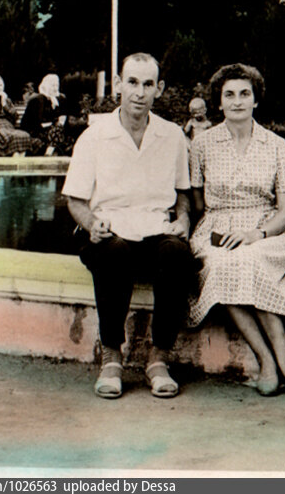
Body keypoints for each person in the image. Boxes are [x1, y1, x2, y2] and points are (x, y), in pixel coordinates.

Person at [62, 53, 196, 400]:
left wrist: (183, 219)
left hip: (153, 229)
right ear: (119, 84)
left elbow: (182, 193)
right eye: (132, 82)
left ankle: (159, 358)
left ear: (159, 89)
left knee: (177, 253)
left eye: (148, 84)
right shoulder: (94, 137)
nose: (139, 92)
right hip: (107, 231)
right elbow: (75, 200)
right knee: (114, 252)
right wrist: (92, 224)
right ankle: (111, 357)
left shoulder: (172, 136)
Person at [187, 63, 285, 398]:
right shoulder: (202, 145)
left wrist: (257, 234)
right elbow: (198, 204)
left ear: (256, 100)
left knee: (251, 259)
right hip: (216, 227)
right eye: (229, 95)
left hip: (265, 230)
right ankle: (267, 360)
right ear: (219, 102)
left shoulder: (275, 144)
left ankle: (284, 359)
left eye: (245, 94)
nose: (237, 101)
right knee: (223, 263)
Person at [0, 75, 39, 157]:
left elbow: (15, 116)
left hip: (9, 126)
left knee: (24, 135)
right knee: (12, 137)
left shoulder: (7, 100)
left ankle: (18, 161)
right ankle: (16, 160)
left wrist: (5, 105)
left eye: (1, 85)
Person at [20, 74, 72, 155]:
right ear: (46, 86)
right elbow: (37, 120)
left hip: (53, 130)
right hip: (36, 130)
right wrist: (56, 121)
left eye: (57, 85)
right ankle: (49, 152)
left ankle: (50, 151)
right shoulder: (38, 99)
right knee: (58, 131)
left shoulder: (59, 99)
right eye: (52, 86)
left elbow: (64, 114)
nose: (55, 88)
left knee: (61, 130)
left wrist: (61, 119)